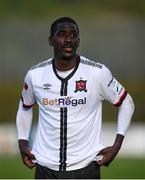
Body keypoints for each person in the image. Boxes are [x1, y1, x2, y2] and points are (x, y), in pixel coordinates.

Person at [16, 17, 135, 179]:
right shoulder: (35, 75)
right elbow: (25, 107)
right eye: (62, 34)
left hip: (86, 168)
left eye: (73, 35)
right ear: (51, 40)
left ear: (78, 40)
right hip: (45, 168)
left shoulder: (97, 73)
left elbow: (126, 103)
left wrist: (117, 145)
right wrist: (22, 143)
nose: (68, 40)